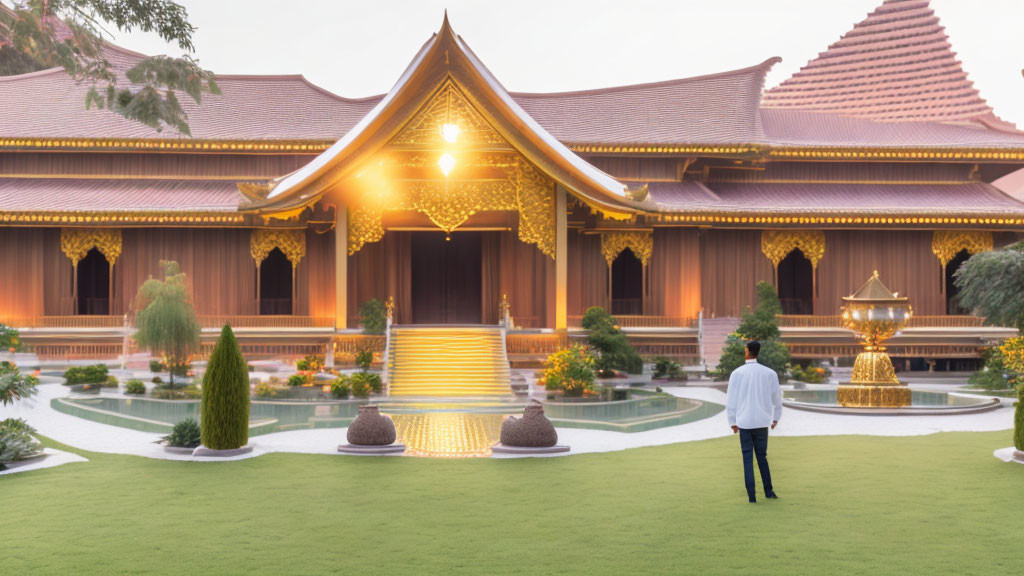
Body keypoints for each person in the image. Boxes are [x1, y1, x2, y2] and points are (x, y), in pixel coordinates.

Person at [726, 340, 783, 503]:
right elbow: (776, 398)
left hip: (744, 421)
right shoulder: (769, 373)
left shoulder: (737, 373)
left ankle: (752, 496)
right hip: (762, 421)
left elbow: (731, 399)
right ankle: (769, 491)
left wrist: (732, 421)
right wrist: (775, 418)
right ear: (758, 352)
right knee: (762, 457)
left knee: (747, 458)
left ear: (747, 351)